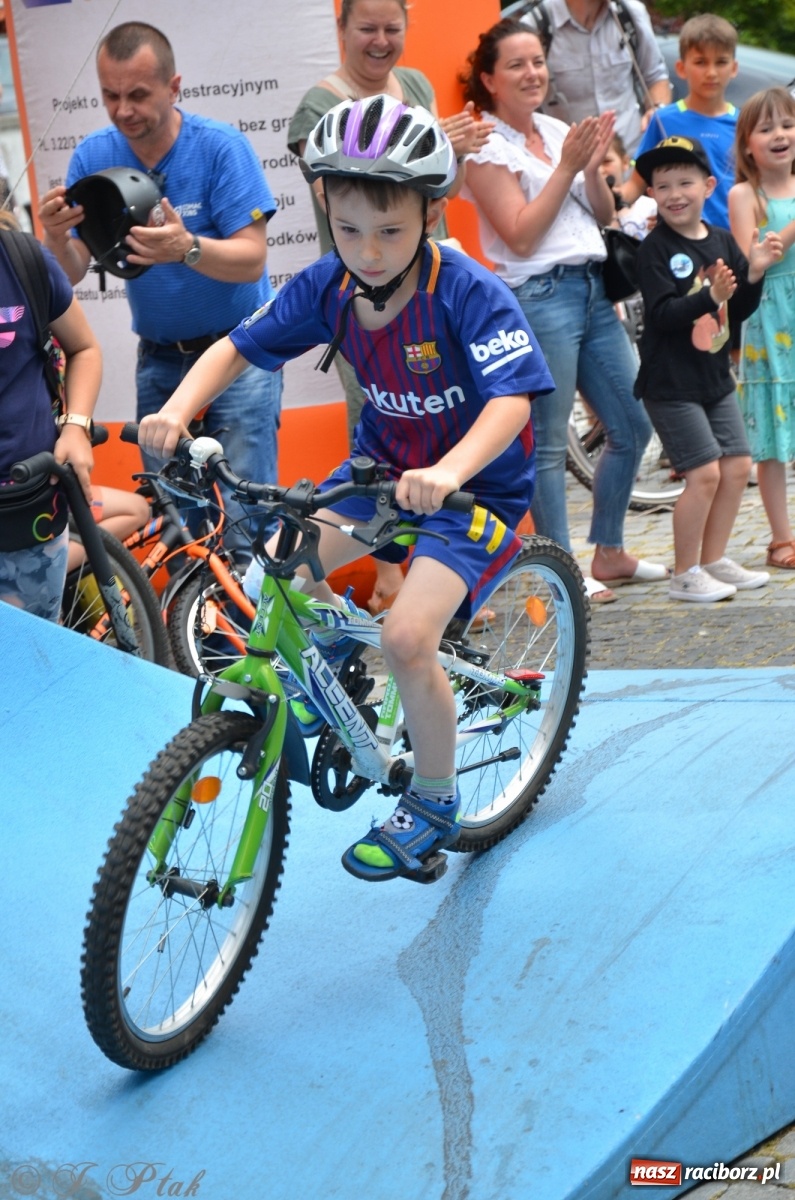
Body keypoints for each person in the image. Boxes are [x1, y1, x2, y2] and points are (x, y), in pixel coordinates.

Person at [138, 94, 555, 883]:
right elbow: (236, 347)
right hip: (374, 477)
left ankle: (432, 801)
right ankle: (342, 664)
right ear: (326, 206)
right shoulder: (328, 287)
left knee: (404, 636)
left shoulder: (468, 293)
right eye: (349, 227)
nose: (367, 250)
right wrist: (174, 411)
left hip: (472, 495)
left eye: (390, 231)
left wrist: (450, 471)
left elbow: (509, 401)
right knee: (273, 572)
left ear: (430, 214)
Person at [37, 21, 281, 567]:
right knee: (180, 523)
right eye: (110, 95)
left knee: (248, 517)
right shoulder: (92, 157)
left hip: (242, 354)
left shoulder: (220, 148)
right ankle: (195, 648)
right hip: (161, 363)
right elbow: (72, 272)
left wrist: (187, 249)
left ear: (174, 87)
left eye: (139, 94)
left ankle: (256, 650)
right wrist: (55, 235)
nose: (123, 109)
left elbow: (253, 259)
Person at [288, 0, 492, 616]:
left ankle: (443, 574)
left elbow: (440, 187)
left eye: (392, 29)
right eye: (367, 28)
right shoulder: (319, 107)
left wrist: (448, 156)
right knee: (376, 436)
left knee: (444, 425)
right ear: (342, 30)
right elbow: (335, 189)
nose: (380, 41)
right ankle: (389, 576)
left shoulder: (418, 84)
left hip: (429, 285)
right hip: (366, 300)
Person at [461, 18, 667, 604]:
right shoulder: (486, 145)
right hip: (538, 297)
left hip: (592, 288)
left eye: (538, 62)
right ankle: (561, 575)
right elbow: (521, 237)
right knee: (547, 444)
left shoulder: (555, 128)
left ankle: (609, 549)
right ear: (489, 79)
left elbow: (601, 212)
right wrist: (567, 167)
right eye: (517, 65)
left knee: (633, 423)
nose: (533, 73)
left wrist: (593, 166)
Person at [634, 135, 780, 601]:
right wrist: (708, 297)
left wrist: (754, 272)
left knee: (737, 466)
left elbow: (738, 311)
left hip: (715, 377)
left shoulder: (719, 240)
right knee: (704, 475)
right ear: (651, 194)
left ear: (709, 185)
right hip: (670, 383)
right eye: (663, 185)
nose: (675, 193)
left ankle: (713, 559)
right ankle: (684, 572)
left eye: (685, 182)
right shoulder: (654, 249)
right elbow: (661, 316)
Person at [0, 225, 102, 621]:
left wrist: (76, 427)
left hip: (28, 504)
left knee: (34, 659)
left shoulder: (22, 257)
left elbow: (85, 348)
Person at [728, 88, 795, 570]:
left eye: (787, 124)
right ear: (747, 143)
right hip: (769, 315)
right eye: (767, 127)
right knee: (771, 435)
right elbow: (752, 259)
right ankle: (781, 537)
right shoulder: (744, 195)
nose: (780, 135)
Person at [625, 14, 739, 230]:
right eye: (700, 62)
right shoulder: (662, 120)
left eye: (721, 62)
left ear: (734, 68)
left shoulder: (745, 123)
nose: (711, 72)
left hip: (732, 244)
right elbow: (635, 185)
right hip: (675, 248)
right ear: (681, 67)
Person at [518, 0, 671, 157]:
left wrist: (657, 109)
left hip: (632, 157)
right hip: (568, 163)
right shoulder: (537, 23)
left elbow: (656, 76)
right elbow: (520, 98)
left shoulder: (630, 13)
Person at [600, 132, 656, 239]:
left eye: (606, 161)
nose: (600, 170)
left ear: (625, 162)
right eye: (591, 164)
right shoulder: (583, 213)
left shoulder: (651, 208)